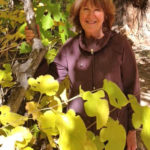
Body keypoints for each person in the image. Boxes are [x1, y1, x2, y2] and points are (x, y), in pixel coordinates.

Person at [25, 0, 140, 149]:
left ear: (105, 15)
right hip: (79, 134)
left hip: (113, 134)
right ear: (78, 14)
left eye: (97, 10)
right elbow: (49, 80)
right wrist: (36, 46)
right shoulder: (69, 48)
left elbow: (133, 89)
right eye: (85, 9)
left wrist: (132, 131)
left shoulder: (120, 44)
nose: (91, 15)